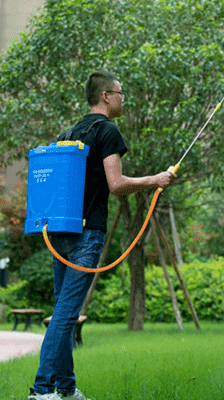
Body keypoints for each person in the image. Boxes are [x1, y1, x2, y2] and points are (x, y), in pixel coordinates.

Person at [28, 71, 176, 400]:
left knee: (62, 311)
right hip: (86, 234)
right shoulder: (107, 130)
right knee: (66, 314)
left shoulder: (70, 131)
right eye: (120, 93)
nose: (123, 98)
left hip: (61, 232)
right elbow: (116, 184)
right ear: (106, 96)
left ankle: (66, 389)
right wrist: (156, 179)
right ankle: (41, 391)